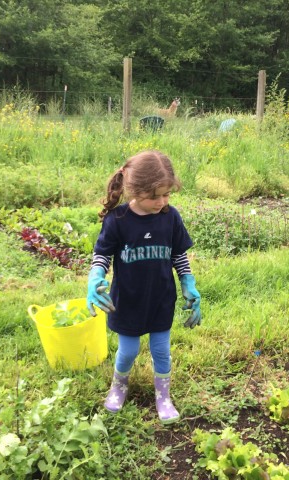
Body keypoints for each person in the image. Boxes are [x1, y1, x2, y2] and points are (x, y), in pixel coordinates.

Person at [86, 150, 202, 424]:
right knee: (128, 351)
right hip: (126, 301)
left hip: (161, 298)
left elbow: (178, 254)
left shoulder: (170, 217)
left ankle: (163, 396)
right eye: (155, 196)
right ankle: (119, 386)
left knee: (161, 350)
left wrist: (187, 281)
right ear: (134, 190)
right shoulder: (117, 220)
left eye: (167, 194)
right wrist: (95, 277)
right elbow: (102, 254)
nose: (161, 202)